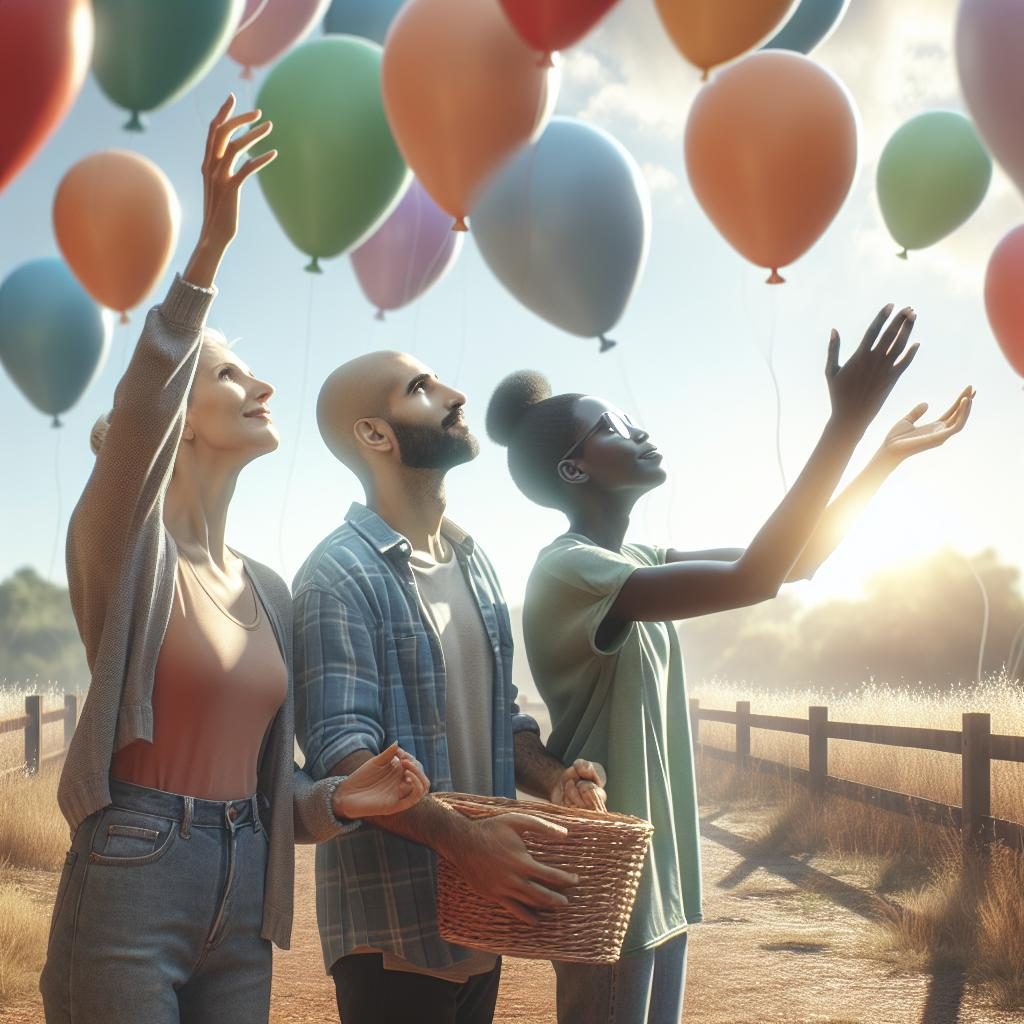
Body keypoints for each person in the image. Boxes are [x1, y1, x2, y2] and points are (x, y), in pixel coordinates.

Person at [39, 97, 429, 1024]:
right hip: (131, 873)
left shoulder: (272, 588)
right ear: (178, 416)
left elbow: (269, 792)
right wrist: (209, 250)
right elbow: (137, 417)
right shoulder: (124, 549)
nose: (259, 384)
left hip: (248, 887)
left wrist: (343, 798)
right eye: (227, 374)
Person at [485, 306, 974, 1024]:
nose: (639, 430)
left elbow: (793, 562)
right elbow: (756, 575)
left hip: (662, 879)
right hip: (613, 883)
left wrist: (881, 456)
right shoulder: (569, 570)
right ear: (574, 468)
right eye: (612, 426)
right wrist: (845, 422)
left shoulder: (635, 560)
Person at [292, 350, 609, 1024]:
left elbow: (503, 719)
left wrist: (553, 780)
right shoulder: (336, 574)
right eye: (421, 388)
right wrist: (467, 842)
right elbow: (343, 757)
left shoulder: (474, 560)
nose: (454, 394)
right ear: (375, 435)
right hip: (394, 936)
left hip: (477, 923)